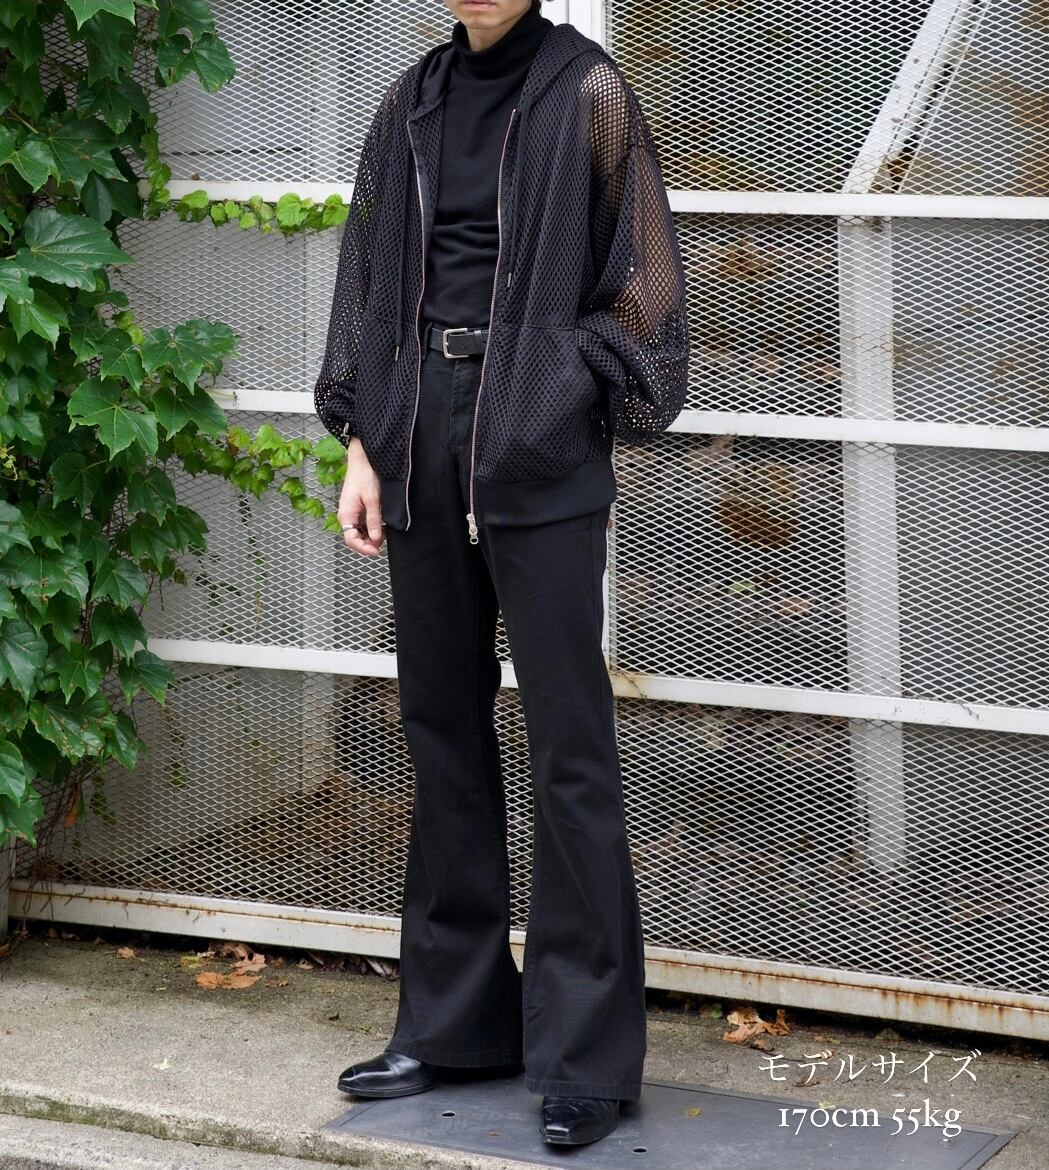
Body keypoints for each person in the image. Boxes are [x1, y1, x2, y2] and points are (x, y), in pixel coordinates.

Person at [315, 0, 689, 1147]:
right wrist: (363, 443)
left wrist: (556, 387)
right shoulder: (411, 101)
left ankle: (585, 1056)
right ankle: (457, 1021)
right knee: (440, 730)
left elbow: (645, 290)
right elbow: (369, 283)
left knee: (570, 745)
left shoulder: (589, 92)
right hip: (418, 439)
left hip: (536, 453)